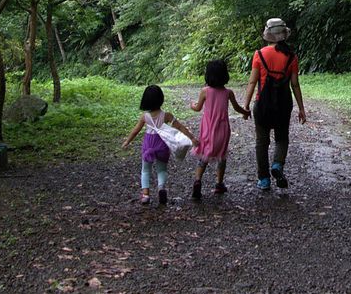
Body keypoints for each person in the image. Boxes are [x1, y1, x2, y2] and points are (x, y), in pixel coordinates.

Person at [243, 18, 306, 190]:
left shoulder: (259, 54)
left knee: (261, 143)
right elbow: (295, 84)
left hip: (262, 105)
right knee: (282, 138)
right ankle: (277, 164)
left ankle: (263, 179)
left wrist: (246, 106)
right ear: (284, 35)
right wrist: (301, 108)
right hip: (283, 105)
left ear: (268, 35)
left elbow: (252, 82)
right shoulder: (292, 56)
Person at [121, 85, 198, 205]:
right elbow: (180, 127)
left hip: (148, 145)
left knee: (145, 170)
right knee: (161, 169)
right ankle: (161, 188)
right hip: (162, 144)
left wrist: (127, 141)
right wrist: (192, 137)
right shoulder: (167, 115)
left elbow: (135, 131)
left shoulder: (145, 117)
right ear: (161, 99)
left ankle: (145, 195)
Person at [188, 59, 251, 199]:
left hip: (207, 129)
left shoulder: (205, 91)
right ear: (225, 75)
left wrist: (192, 105)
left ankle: (197, 182)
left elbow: (197, 108)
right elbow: (237, 108)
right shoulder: (228, 92)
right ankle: (219, 184)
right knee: (221, 155)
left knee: (204, 155)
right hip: (222, 129)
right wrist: (246, 112)